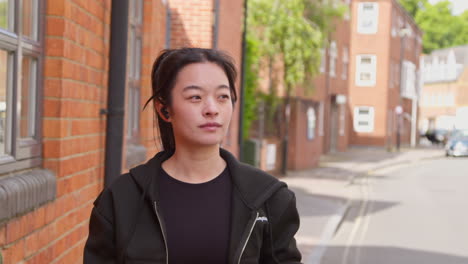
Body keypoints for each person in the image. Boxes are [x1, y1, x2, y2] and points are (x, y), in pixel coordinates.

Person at [84, 48, 302, 263]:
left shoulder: (268, 198)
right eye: (195, 97)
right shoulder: (122, 199)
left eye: (223, 97)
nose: (212, 109)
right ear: (164, 110)